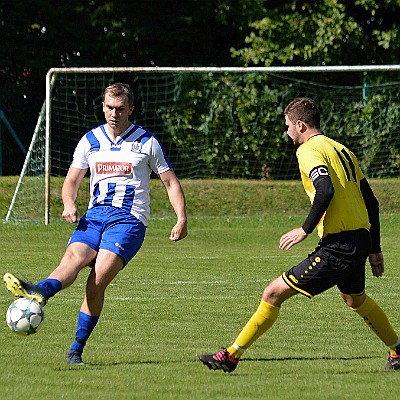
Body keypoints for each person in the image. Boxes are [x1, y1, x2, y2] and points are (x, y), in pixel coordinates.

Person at [198, 97, 399, 373]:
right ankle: (397, 351)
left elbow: (325, 189)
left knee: (272, 293)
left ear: (301, 125)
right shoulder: (342, 149)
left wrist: (304, 229)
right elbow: (371, 202)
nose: (287, 132)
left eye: (288, 126)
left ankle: (230, 356)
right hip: (359, 240)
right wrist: (374, 247)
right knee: (355, 299)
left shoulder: (308, 151)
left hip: (339, 246)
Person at [4, 83, 188, 365]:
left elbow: (170, 182)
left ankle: (76, 347)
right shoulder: (90, 141)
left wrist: (181, 218)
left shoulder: (146, 142)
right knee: (72, 260)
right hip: (94, 216)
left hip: (129, 220)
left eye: (120, 109)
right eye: (109, 108)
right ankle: (41, 290)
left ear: (131, 110)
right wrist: (68, 203)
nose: (114, 114)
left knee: (98, 278)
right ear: (103, 107)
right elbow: (71, 182)